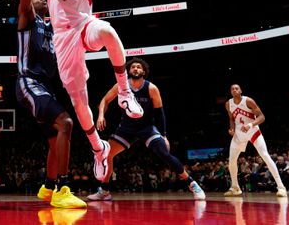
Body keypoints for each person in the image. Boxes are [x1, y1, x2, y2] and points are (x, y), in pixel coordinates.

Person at [36, 0, 143, 182]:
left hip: (84, 25)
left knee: (108, 30)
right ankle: (98, 148)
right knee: (79, 101)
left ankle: (124, 92)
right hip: (63, 40)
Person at [16, 0, 86, 209]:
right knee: (67, 123)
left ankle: (47, 186)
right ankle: (63, 187)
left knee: (55, 138)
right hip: (28, 82)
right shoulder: (27, 19)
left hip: (45, 86)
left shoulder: (54, 27)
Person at [87, 57, 205, 201]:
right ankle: (104, 191)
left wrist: (164, 135)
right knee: (106, 154)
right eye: (133, 67)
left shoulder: (151, 88)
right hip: (126, 128)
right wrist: (100, 116)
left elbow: (159, 113)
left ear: (144, 71)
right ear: (128, 71)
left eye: (139, 67)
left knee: (164, 153)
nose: (135, 68)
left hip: (146, 128)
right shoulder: (121, 86)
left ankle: (192, 184)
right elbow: (105, 100)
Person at [224, 84, 287, 197]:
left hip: (253, 130)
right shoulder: (228, 104)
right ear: (230, 92)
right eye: (232, 89)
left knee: (265, 156)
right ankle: (235, 187)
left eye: (236, 88)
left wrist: (251, 124)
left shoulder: (248, 101)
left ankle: (281, 187)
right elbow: (231, 119)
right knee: (232, 160)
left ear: (241, 90)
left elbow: (262, 117)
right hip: (239, 133)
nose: (234, 90)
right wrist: (232, 128)